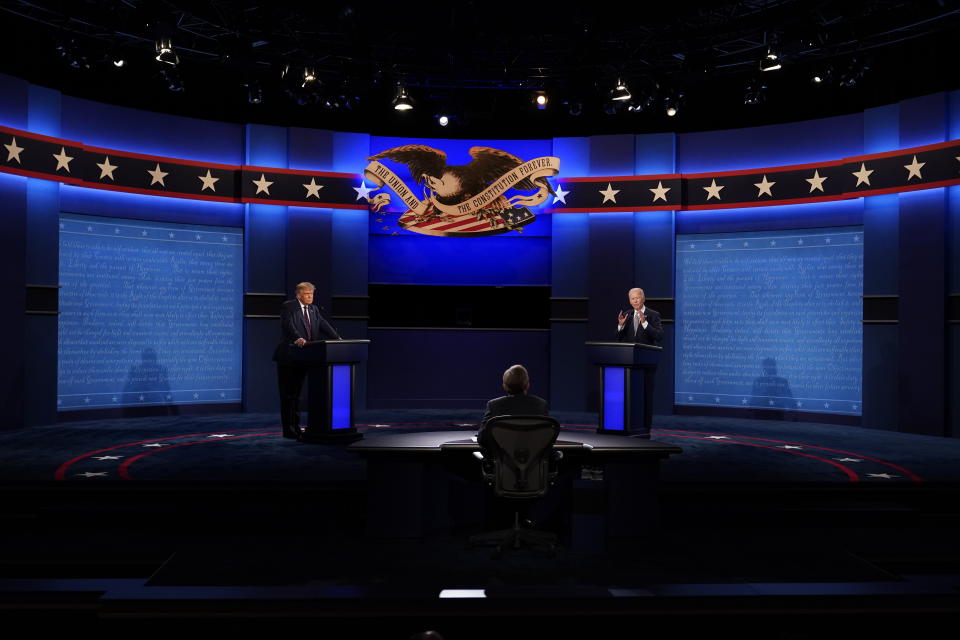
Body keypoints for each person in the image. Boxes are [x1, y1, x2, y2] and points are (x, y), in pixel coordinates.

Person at [273, 282, 341, 439]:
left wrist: (337, 338)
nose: (310, 297)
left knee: (297, 395)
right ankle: (289, 430)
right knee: (288, 395)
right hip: (289, 356)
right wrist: (297, 337)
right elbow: (288, 325)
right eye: (307, 294)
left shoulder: (314, 309)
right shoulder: (289, 306)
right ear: (298, 295)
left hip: (306, 357)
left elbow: (323, 324)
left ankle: (297, 428)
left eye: (312, 294)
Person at [616, 287, 663, 436]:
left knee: (646, 397)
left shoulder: (653, 315)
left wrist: (644, 323)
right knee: (629, 396)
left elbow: (659, 336)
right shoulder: (628, 315)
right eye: (632, 299)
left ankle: (645, 429)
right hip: (630, 364)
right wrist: (621, 325)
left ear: (643, 298)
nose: (635, 301)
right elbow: (618, 337)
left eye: (637, 298)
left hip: (646, 364)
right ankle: (630, 427)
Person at [476, 364, 549, 453]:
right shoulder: (541, 405)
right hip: (534, 464)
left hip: (503, 464)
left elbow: (482, 440)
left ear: (504, 386)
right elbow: (547, 439)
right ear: (528, 385)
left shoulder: (494, 405)